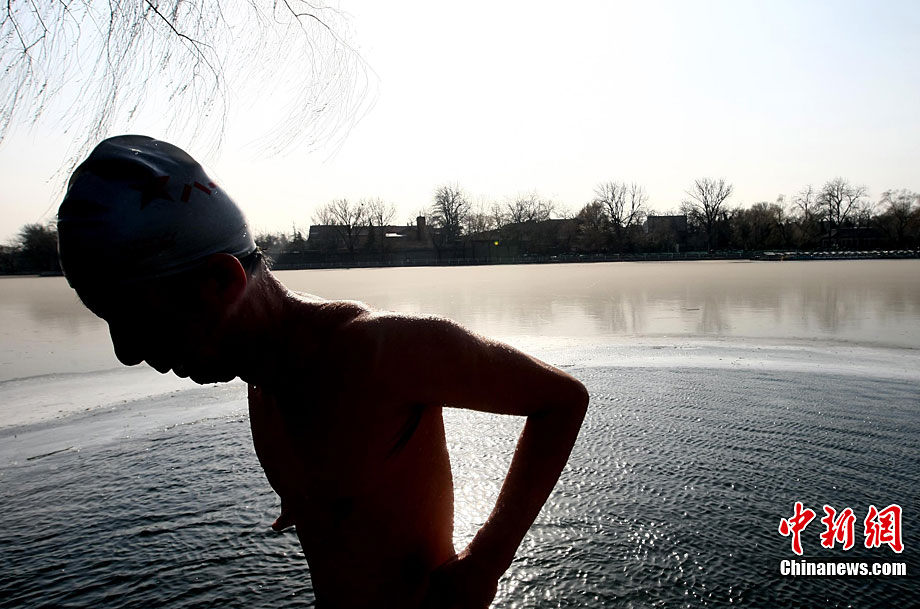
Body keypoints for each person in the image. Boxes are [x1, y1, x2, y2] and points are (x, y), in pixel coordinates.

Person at [57, 135, 589, 609]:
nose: (126, 352)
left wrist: (485, 563)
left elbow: (561, 400)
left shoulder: (380, 350)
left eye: (136, 321)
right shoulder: (259, 373)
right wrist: (314, 500)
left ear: (222, 282)